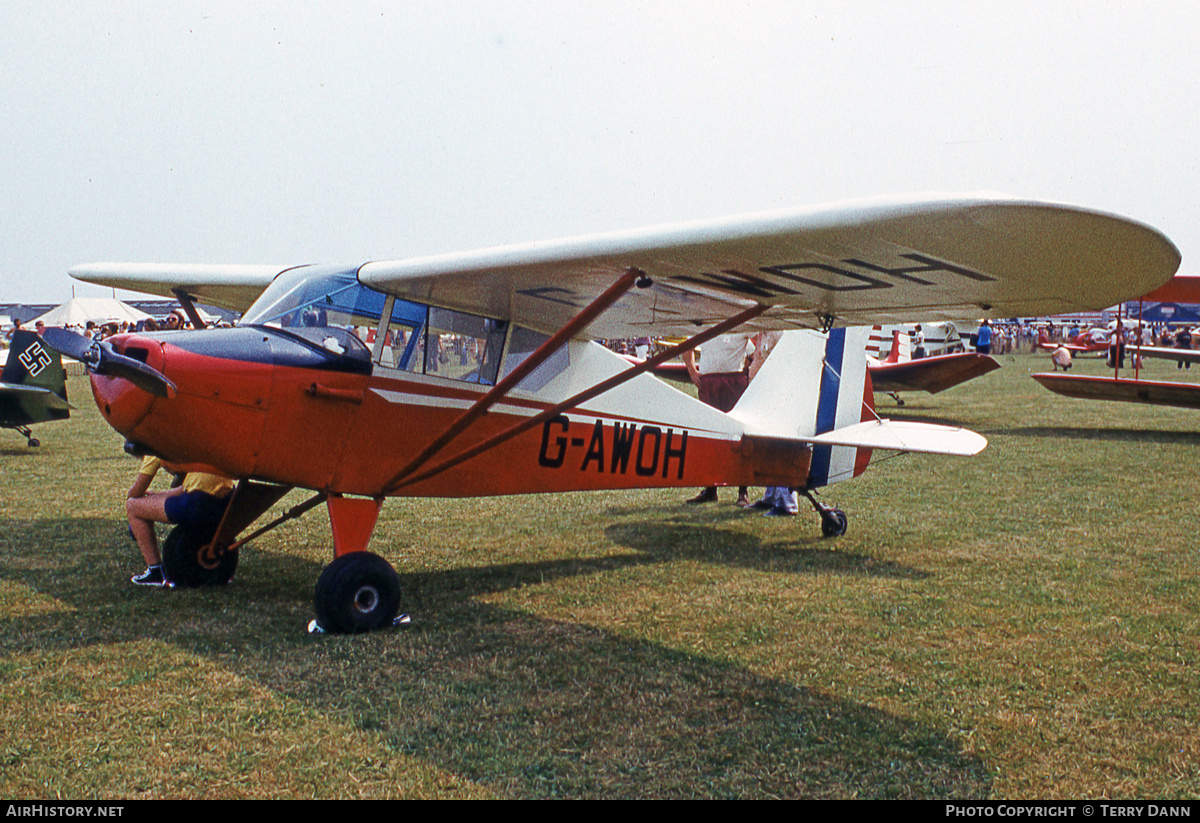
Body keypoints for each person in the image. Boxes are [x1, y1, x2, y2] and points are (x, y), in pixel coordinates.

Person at [126, 455, 235, 587]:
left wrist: (134, 517)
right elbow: (188, 488)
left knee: (132, 506)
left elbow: (135, 493)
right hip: (226, 501)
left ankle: (155, 572)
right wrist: (155, 495)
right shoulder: (193, 446)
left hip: (197, 503)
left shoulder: (154, 451)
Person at [683, 333, 753, 506]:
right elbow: (687, 347)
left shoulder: (742, 326)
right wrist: (692, 371)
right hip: (709, 384)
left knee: (738, 436)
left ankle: (743, 491)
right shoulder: (705, 325)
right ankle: (710, 489)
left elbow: (757, 350)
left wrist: (750, 372)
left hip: (734, 382)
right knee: (710, 436)